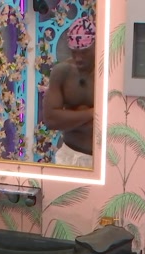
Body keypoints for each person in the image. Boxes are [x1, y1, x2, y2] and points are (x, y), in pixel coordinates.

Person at [43, 16, 96, 168]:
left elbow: (112, 121)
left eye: (84, 52)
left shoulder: (109, 74)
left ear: (96, 46)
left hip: (103, 158)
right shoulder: (62, 72)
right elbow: (51, 120)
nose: (78, 58)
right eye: (74, 52)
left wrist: (70, 118)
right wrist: (92, 113)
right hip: (69, 155)